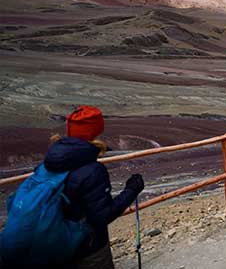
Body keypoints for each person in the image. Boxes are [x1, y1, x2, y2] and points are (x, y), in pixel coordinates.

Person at [3, 106, 145, 269]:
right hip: (87, 247)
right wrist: (132, 190)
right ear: (95, 132)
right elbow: (102, 216)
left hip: (57, 240)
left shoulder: (50, 162)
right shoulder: (92, 170)